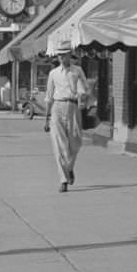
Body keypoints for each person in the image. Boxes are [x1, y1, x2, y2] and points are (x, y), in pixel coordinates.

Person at [44, 41, 88, 192]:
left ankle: (69, 167)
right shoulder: (53, 73)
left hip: (73, 107)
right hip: (57, 107)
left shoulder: (77, 71)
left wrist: (82, 94)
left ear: (70, 55)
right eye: (59, 55)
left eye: (65, 55)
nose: (62, 58)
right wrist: (46, 117)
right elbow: (49, 96)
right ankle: (63, 180)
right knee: (59, 145)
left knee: (75, 142)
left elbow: (85, 89)